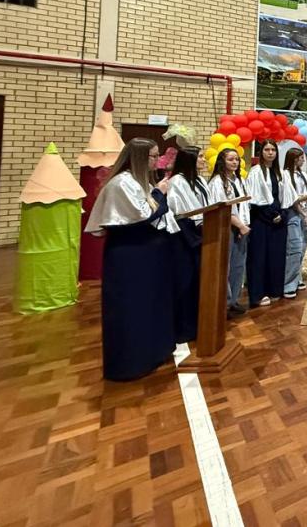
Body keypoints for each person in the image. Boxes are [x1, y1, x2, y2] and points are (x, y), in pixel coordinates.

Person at [84, 138, 177, 381]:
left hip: (147, 252)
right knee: (132, 307)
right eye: (153, 156)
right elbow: (144, 215)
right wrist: (159, 193)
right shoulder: (122, 183)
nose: (158, 161)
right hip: (131, 255)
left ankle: (154, 352)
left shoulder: (140, 181)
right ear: (139, 158)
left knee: (150, 303)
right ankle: (132, 362)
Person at [166, 147, 209, 343]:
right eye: (200, 157)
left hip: (202, 232)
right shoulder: (177, 181)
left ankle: (199, 323)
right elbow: (179, 212)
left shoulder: (199, 180)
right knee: (186, 282)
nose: (203, 160)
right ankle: (183, 328)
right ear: (189, 159)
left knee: (199, 283)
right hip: (185, 236)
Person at [244, 140, 287, 308]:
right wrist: (271, 215)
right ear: (261, 152)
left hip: (279, 220)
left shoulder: (280, 172)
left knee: (276, 256)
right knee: (259, 257)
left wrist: (281, 214)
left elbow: (286, 197)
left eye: (273, 150)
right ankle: (258, 294)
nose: (270, 153)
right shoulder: (255, 172)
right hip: (261, 219)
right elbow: (254, 199)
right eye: (267, 150)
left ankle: (274, 289)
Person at [208, 148, 250, 317]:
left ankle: (233, 301)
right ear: (222, 161)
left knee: (238, 266)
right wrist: (239, 225)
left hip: (241, 227)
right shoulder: (217, 182)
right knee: (225, 266)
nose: (235, 162)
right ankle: (223, 304)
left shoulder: (238, 180)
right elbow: (223, 206)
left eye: (237, 159)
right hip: (226, 227)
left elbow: (244, 205)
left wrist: (243, 225)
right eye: (230, 159)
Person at [281, 146, 307, 299]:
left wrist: (306, 212)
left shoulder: (303, 175)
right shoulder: (285, 174)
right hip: (293, 213)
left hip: (304, 211)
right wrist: (302, 211)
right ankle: (288, 284)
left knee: (303, 246)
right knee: (295, 248)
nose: (303, 160)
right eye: (300, 158)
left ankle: (297, 278)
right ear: (293, 159)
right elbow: (291, 198)